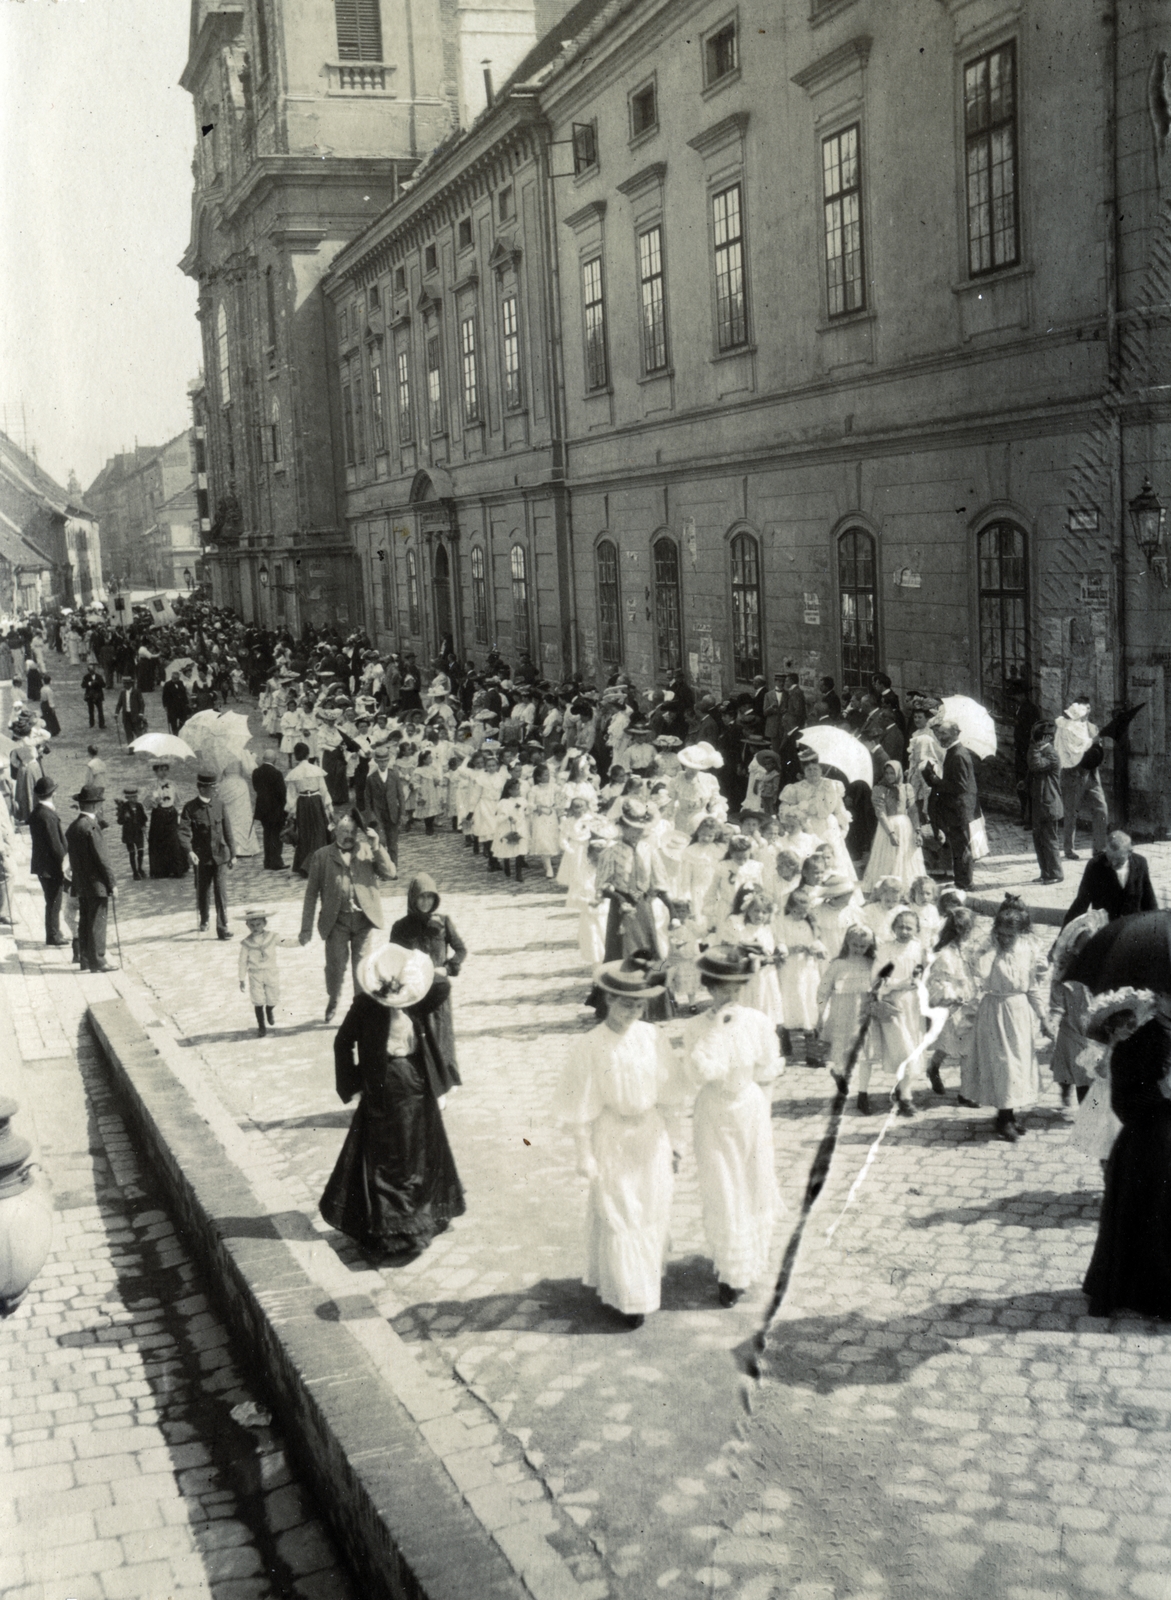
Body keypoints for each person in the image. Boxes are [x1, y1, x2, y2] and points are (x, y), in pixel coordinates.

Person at [320, 944, 466, 1259]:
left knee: (417, 1155)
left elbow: (443, 986)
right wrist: (352, 1085)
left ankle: (417, 1221)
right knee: (387, 1160)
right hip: (382, 1087)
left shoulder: (418, 1000)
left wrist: (416, 971)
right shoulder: (365, 1006)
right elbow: (341, 1042)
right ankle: (392, 1230)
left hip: (416, 1085)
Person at [553, 957, 676, 1329]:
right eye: (625, 1004)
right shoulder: (590, 1046)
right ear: (607, 1000)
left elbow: (670, 1094)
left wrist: (677, 1142)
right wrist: (584, 1153)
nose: (632, 1012)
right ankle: (626, 1296)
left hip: (651, 1134)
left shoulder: (654, 1037)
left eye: (638, 1005)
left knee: (650, 1206)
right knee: (620, 1211)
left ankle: (644, 1283)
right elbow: (578, 1105)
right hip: (613, 1135)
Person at [674, 947, 783, 1305]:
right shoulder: (695, 1027)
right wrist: (717, 1031)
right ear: (708, 987)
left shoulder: (758, 1021)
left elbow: (767, 1070)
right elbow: (696, 1075)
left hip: (750, 1109)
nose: (729, 995)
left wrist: (762, 1115)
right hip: (714, 1114)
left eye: (736, 987)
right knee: (723, 1188)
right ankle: (729, 1274)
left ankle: (748, 1264)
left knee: (753, 1184)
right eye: (722, 987)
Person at [1083, 989, 1171, 1318]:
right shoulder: (1138, 1043)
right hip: (1151, 1145)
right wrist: (1160, 1091)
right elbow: (1123, 1105)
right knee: (1150, 1215)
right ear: (1159, 999)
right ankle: (1148, 1292)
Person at [966, 900, 1053, 1141]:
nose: (1005, 939)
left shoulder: (1027, 950)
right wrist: (993, 949)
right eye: (1001, 934)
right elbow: (980, 973)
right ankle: (1003, 1118)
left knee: (1018, 1065)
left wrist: (1043, 1018)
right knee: (1003, 1065)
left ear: (1021, 933)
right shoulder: (989, 950)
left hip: (1020, 1012)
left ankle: (1009, 1115)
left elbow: (1032, 988)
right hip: (995, 1011)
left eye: (1010, 936)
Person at [299, 812, 397, 1024]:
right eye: (344, 831)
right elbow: (311, 894)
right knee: (335, 966)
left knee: (362, 967)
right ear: (335, 831)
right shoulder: (321, 856)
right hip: (336, 922)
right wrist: (305, 928)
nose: (349, 836)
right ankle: (333, 999)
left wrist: (377, 846)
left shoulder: (366, 850)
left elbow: (390, 873)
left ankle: (359, 1009)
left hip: (363, 920)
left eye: (352, 832)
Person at [389, 873, 467, 1094]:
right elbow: (392, 958)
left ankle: (443, 1081)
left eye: (430, 897)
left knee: (440, 1034)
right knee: (418, 1035)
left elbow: (461, 950)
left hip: (438, 991)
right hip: (414, 992)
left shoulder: (443, 923)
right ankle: (423, 1081)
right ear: (412, 899)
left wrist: (448, 968)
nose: (425, 902)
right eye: (421, 897)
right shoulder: (400, 927)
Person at [178, 769, 236, 939]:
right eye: (213, 787)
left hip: (220, 856)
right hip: (201, 858)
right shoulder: (190, 808)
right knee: (202, 890)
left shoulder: (220, 805)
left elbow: (228, 830)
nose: (216, 790)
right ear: (202, 788)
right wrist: (189, 851)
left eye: (216, 786)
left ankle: (222, 926)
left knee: (221, 891)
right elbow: (183, 832)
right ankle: (204, 917)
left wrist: (233, 853)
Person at [65, 783, 117, 973]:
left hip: (81, 883)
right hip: (97, 884)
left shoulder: (74, 827)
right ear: (95, 806)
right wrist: (112, 883)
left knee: (85, 920)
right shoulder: (92, 827)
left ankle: (85, 959)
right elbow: (102, 859)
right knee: (98, 921)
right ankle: (99, 961)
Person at [922, 720, 979, 891]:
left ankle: (965, 883)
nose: (940, 737)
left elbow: (960, 785)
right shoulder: (953, 752)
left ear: (955, 733)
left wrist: (937, 781)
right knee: (959, 846)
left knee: (962, 848)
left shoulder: (958, 754)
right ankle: (961, 881)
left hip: (959, 810)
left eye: (944, 734)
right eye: (939, 733)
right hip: (956, 809)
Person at [1060, 831, 1158, 926]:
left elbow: (1149, 899)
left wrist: (1156, 926)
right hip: (1107, 929)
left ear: (1130, 852)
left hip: (1132, 929)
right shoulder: (1095, 866)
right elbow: (1081, 902)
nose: (1114, 863)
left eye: (1118, 860)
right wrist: (1064, 935)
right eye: (1110, 858)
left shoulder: (1140, 863)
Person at [1054, 695, 1109, 860]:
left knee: (1102, 809)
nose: (1087, 711)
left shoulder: (1093, 728)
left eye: (1088, 708)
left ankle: (1099, 848)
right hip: (1073, 775)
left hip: (1092, 775)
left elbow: (1096, 751)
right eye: (1084, 708)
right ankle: (1068, 849)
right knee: (1071, 813)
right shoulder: (1065, 728)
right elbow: (1066, 750)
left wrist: (1097, 747)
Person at [861, 760, 925, 894]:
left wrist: (917, 831)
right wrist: (890, 833)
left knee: (905, 857)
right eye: (887, 773)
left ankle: (906, 888)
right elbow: (880, 813)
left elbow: (913, 811)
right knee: (888, 858)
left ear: (899, 773)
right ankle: (887, 889)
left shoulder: (907, 788)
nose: (890, 776)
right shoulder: (879, 789)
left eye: (892, 773)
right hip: (887, 827)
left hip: (905, 826)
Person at [28, 774, 68, 946]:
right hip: (51, 866)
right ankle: (53, 935)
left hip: (41, 864)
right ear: (53, 794)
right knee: (54, 900)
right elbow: (56, 845)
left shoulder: (37, 812)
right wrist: (66, 863)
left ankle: (54, 931)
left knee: (51, 899)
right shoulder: (48, 815)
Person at [286, 742, 332, 876]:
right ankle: (316, 865)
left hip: (303, 803)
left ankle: (307, 865)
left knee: (305, 833)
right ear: (308, 754)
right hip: (316, 801)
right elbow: (323, 790)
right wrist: (329, 807)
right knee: (319, 832)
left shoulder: (293, 773)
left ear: (296, 756)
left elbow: (291, 795)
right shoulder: (316, 770)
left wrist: (291, 812)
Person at [1027, 720, 1064, 885]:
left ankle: (1056, 874)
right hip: (1039, 804)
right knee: (1039, 840)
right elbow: (1032, 768)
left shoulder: (1052, 754)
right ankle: (1045, 872)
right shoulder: (1041, 751)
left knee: (1050, 840)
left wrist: (1034, 748)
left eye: (1040, 737)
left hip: (1049, 804)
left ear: (1048, 738)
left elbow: (1035, 765)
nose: (1036, 740)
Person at [238, 908, 281, 1037]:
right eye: (252, 925)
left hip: (270, 971)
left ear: (264, 923)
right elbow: (242, 961)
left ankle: (269, 1009)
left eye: (258, 924)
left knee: (273, 996)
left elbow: (285, 942)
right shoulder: (247, 943)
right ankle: (261, 1026)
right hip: (255, 973)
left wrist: (300, 941)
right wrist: (241, 978)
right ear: (247, 925)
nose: (255, 927)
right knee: (257, 999)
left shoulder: (272, 937)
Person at [363, 743, 406, 867]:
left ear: (388, 761)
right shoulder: (371, 778)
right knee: (380, 842)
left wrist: (402, 813)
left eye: (385, 761)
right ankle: (382, 867)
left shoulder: (394, 775)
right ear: (376, 761)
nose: (383, 764)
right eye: (380, 762)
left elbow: (401, 796)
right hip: (378, 815)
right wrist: (370, 816)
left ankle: (393, 868)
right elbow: (367, 800)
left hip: (393, 814)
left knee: (393, 843)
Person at [147, 761, 190, 878]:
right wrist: (154, 801)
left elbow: (178, 799)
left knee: (174, 840)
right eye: (160, 770)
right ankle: (160, 870)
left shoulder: (172, 784)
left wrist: (178, 811)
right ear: (156, 772)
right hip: (159, 815)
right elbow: (146, 804)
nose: (163, 772)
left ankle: (177, 869)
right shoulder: (153, 785)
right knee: (159, 842)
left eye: (165, 769)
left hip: (171, 814)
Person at [114, 786, 147, 881]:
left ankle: (140, 868)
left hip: (139, 832)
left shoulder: (139, 806)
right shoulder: (124, 807)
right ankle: (135, 872)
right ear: (127, 798)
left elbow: (144, 818)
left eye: (135, 796)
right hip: (128, 833)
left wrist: (144, 825)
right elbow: (119, 821)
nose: (134, 798)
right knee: (132, 853)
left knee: (141, 851)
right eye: (132, 797)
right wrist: (125, 817)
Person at [114, 676, 145, 744]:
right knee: (128, 733)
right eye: (124, 684)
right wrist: (116, 713)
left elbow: (142, 704)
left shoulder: (136, 692)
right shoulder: (123, 692)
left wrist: (141, 713)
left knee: (138, 732)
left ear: (130, 684)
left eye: (126, 684)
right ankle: (131, 749)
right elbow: (119, 704)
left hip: (135, 715)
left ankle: (142, 745)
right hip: (126, 716)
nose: (125, 685)